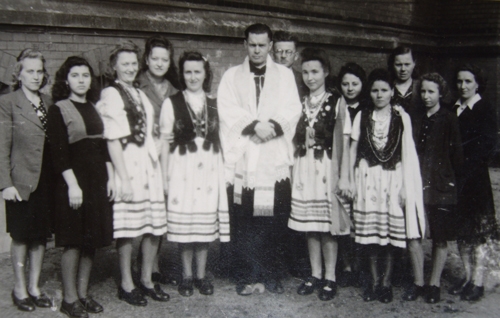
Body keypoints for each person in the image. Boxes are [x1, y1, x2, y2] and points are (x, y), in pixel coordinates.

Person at [218, 23, 302, 295]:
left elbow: (292, 108)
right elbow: (226, 109)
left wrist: (273, 127)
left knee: (273, 218)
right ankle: (246, 273)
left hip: (272, 152)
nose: (257, 50)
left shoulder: (285, 75)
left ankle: (270, 273)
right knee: (245, 220)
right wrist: (254, 125)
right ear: (245, 44)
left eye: (262, 45)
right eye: (252, 44)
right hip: (245, 153)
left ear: (270, 46)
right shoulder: (231, 76)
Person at [96, 41, 169, 306]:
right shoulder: (111, 94)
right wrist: (122, 178)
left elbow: (151, 132)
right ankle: (126, 283)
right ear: (114, 66)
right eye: (124, 64)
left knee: (154, 225)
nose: (129, 68)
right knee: (127, 229)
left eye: (133, 64)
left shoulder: (138, 92)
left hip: (147, 165)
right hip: (127, 165)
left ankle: (147, 279)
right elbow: (112, 140)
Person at [349, 69, 425, 303]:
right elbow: (353, 148)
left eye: (384, 90)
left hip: (393, 178)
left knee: (391, 237)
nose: (379, 94)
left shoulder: (401, 117)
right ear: (369, 93)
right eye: (375, 90)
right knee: (372, 237)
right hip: (369, 178)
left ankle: (386, 282)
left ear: (392, 92)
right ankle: (373, 281)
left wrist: (405, 187)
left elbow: (407, 153)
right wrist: (351, 179)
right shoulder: (362, 115)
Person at [47, 56, 114, 318]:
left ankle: (83, 294)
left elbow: (104, 148)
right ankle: (69, 299)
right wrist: (73, 186)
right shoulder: (59, 109)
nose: (81, 80)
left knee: (91, 241)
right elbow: (59, 154)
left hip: (97, 181)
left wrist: (110, 179)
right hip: (73, 183)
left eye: (85, 75)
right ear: (66, 79)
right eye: (75, 75)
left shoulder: (95, 107)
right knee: (73, 241)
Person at [160, 51, 229, 297]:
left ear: (205, 74)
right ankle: (186, 276)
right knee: (186, 226)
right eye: (188, 72)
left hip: (209, 170)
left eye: (197, 71)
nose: (192, 76)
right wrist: (165, 179)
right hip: (182, 170)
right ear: (182, 74)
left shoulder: (214, 102)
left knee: (203, 226)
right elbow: (165, 142)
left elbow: (223, 138)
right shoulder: (172, 103)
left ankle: (201, 275)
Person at [288, 48, 350, 301]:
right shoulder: (299, 102)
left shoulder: (337, 102)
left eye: (315, 71)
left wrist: (343, 176)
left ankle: (330, 276)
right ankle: (314, 273)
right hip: (305, 168)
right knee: (309, 226)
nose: (310, 77)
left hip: (326, 168)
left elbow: (344, 143)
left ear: (326, 72)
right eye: (305, 72)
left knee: (327, 227)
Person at [0, 49, 53, 313]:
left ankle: (34, 288)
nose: (35, 76)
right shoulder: (8, 102)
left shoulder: (49, 101)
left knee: (41, 236)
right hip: (20, 181)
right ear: (18, 74)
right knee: (21, 236)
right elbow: (1, 146)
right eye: (29, 71)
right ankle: (19, 289)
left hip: (46, 181)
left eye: (39, 71)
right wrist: (5, 183)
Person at [409, 73, 463, 303]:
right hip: (416, 183)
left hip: (440, 186)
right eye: (423, 91)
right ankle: (418, 282)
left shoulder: (449, 118)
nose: (426, 96)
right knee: (413, 235)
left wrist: (448, 181)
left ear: (441, 93)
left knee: (440, 238)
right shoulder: (416, 117)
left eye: (431, 91)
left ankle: (434, 283)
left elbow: (457, 156)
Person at [449, 63, 499, 302]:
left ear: (477, 83)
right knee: (462, 231)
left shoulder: (484, 108)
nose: (463, 86)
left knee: (477, 233)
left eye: (468, 81)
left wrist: (466, 165)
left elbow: (488, 144)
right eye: (459, 81)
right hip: (456, 178)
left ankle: (478, 281)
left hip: (475, 180)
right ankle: (467, 277)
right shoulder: (453, 108)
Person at [137, 34, 180, 287]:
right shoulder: (138, 85)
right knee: (146, 212)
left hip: (169, 157)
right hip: (144, 156)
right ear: (147, 59)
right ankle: (142, 265)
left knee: (161, 210)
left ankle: (154, 265)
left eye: (165, 59)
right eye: (155, 58)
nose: (160, 63)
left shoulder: (175, 90)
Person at [334, 62, 368, 288]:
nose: (350, 88)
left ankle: (361, 266)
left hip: (363, 170)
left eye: (354, 83)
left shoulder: (367, 109)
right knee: (343, 217)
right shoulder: (338, 107)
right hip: (340, 167)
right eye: (345, 84)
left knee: (362, 219)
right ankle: (345, 266)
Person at [388, 46, 421, 119]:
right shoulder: (387, 87)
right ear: (392, 65)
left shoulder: (421, 87)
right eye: (398, 65)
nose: (403, 69)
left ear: (414, 64)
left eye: (407, 64)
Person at [273, 31, 307, 99]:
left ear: (296, 56)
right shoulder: (264, 76)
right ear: (272, 55)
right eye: (279, 51)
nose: (283, 56)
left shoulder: (303, 79)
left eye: (288, 52)